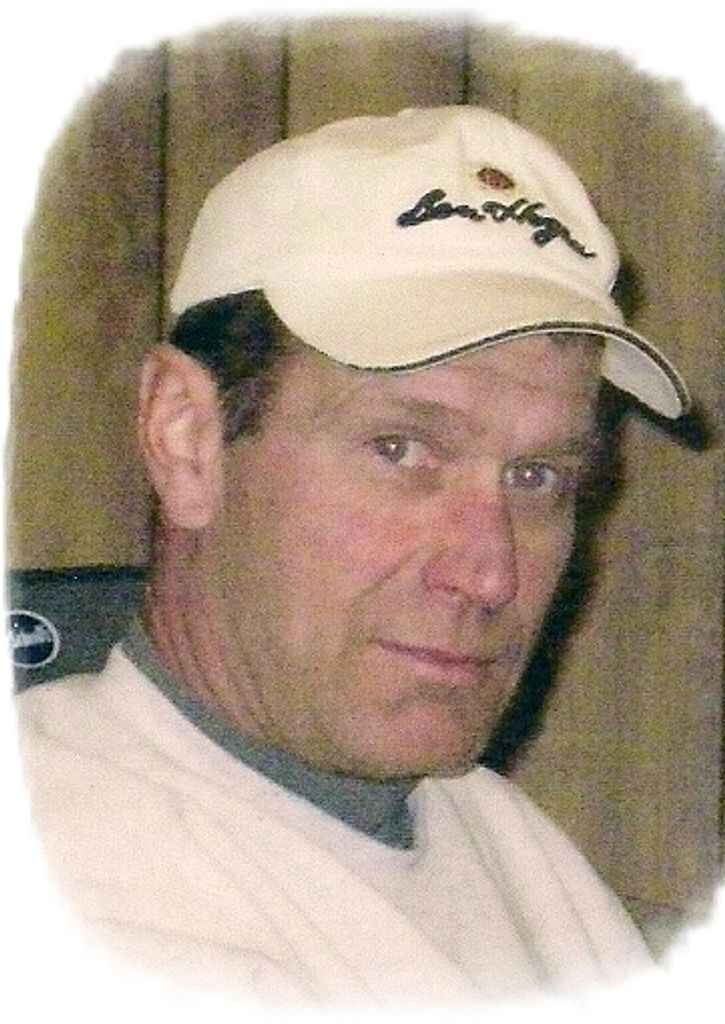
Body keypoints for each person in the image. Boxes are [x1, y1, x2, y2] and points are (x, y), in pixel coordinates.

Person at [17, 105, 689, 1008]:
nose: (488, 574)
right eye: (400, 450)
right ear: (186, 440)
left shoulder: (493, 835)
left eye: (536, 477)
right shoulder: (90, 908)